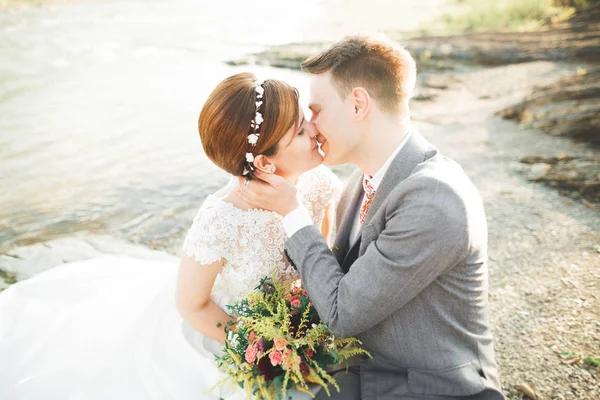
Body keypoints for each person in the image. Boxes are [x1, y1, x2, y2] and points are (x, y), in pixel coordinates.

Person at [0, 73, 341, 400]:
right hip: (226, 332)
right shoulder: (220, 221)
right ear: (265, 164)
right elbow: (191, 305)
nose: (315, 130)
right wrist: (262, 347)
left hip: (289, 325)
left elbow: (319, 259)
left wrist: (307, 326)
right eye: (299, 130)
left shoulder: (319, 182)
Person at [238, 34, 505, 400]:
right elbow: (339, 278)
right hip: (365, 368)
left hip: (430, 387)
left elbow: (342, 311)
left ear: (358, 104)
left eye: (316, 111)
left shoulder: (434, 198)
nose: (311, 126)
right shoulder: (360, 182)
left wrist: (292, 212)